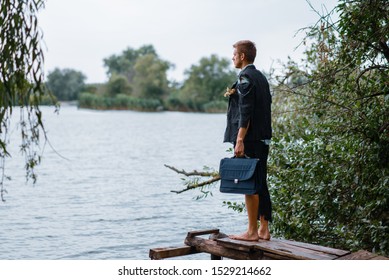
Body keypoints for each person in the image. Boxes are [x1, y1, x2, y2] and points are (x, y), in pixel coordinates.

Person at [224, 40, 272, 241]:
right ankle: (263, 229)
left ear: (243, 56)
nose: (233, 57)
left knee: (249, 182)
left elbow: (246, 111)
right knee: (260, 181)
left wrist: (240, 139)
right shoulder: (260, 77)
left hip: (251, 138)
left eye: (234, 54)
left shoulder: (245, 77)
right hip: (263, 138)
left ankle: (251, 232)